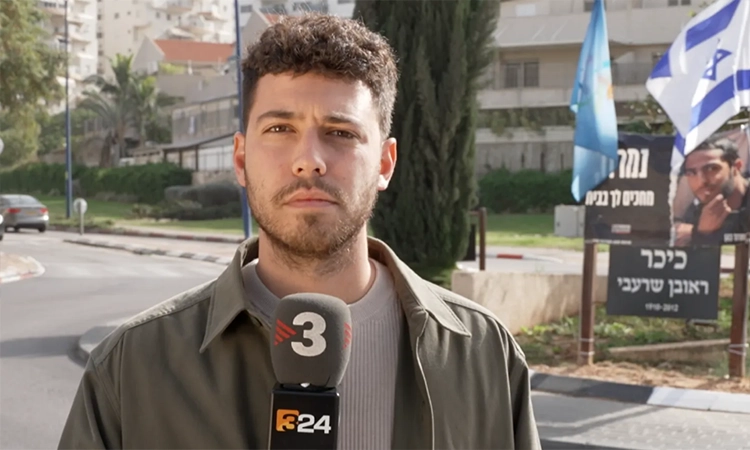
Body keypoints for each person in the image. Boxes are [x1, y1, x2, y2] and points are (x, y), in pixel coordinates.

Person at [58, 13, 540, 450]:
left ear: (385, 163)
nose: (309, 159)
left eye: (341, 132)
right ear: (241, 158)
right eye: (279, 129)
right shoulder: (132, 368)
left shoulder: (483, 357)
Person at [674, 135, 750, 246]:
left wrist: (698, 234)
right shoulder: (695, 213)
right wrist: (701, 234)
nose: (702, 181)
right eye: (691, 173)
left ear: (736, 167)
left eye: (711, 169)